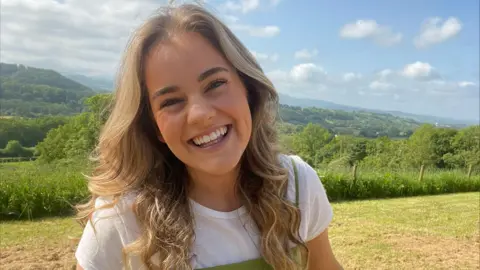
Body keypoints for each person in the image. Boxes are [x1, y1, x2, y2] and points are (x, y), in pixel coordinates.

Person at [75, 3, 342, 270]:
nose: (200, 114)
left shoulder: (297, 184)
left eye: (215, 84)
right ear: (155, 126)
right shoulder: (121, 217)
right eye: (171, 101)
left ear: (248, 89)